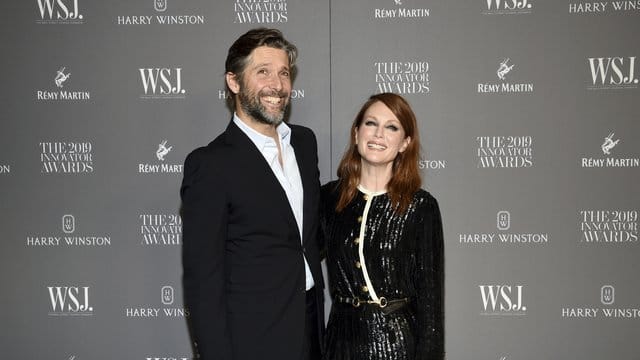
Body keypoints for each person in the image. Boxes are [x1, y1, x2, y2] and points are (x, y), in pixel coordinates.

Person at [180, 28, 324, 360]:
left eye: (284, 73)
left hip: (310, 328)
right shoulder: (211, 165)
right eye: (263, 72)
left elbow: (308, 233)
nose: (278, 85)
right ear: (234, 82)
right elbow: (204, 280)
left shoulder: (304, 144)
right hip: (252, 339)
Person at [320, 93, 444, 360]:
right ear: (356, 134)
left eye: (391, 127)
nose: (378, 134)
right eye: (370, 124)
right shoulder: (329, 198)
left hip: (398, 345)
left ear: (405, 143)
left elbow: (431, 302)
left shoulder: (420, 206)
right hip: (340, 344)